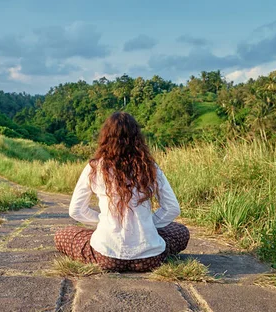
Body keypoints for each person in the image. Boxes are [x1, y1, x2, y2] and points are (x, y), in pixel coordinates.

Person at [54, 112, 189, 272]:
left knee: (62, 235)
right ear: (137, 138)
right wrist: (146, 225)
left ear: (105, 137)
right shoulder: (149, 167)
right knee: (181, 231)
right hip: (149, 259)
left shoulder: (95, 167)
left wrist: (104, 223)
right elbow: (172, 208)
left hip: (107, 257)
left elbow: (76, 211)